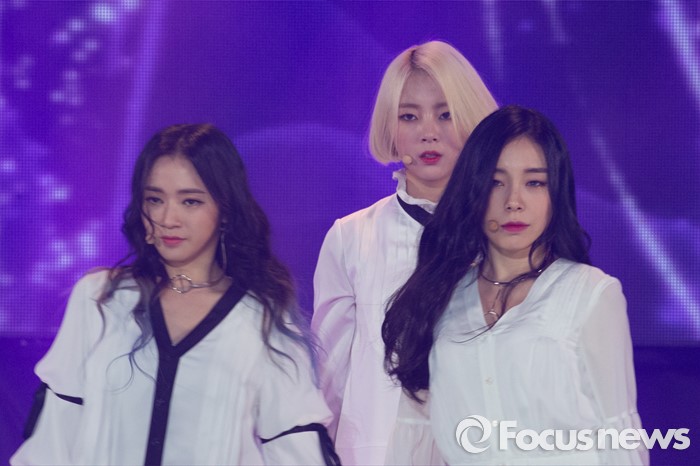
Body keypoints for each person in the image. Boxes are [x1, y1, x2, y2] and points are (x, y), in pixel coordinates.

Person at [11, 124, 340, 466]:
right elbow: (53, 438)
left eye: (190, 201)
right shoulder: (101, 299)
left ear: (225, 210)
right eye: (155, 200)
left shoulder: (262, 318)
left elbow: (295, 449)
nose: (168, 218)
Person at [382, 105, 648, 465]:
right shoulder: (440, 297)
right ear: (473, 190)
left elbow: (618, 432)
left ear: (555, 193)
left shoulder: (590, 293)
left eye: (534, 183)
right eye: (496, 182)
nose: (514, 202)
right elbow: (414, 434)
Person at [312, 40, 497, 465]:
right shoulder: (351, 238)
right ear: (390, 127)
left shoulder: (506, 235)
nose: (429, 132)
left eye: (445, 114)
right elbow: (331, 376)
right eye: (409, 116)